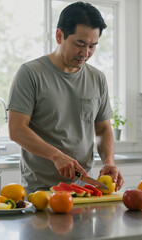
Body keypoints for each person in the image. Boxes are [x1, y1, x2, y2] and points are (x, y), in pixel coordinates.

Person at [8, 1, 124, 194]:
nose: (85, 53)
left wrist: (109, 161)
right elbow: (16, 129)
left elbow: (103, 129)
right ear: (59, 35)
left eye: (92, 46)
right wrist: (56, 156)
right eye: (80, 44)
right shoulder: (30, 73)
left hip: (84, 188)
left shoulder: (97, 78)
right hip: (41, 192)